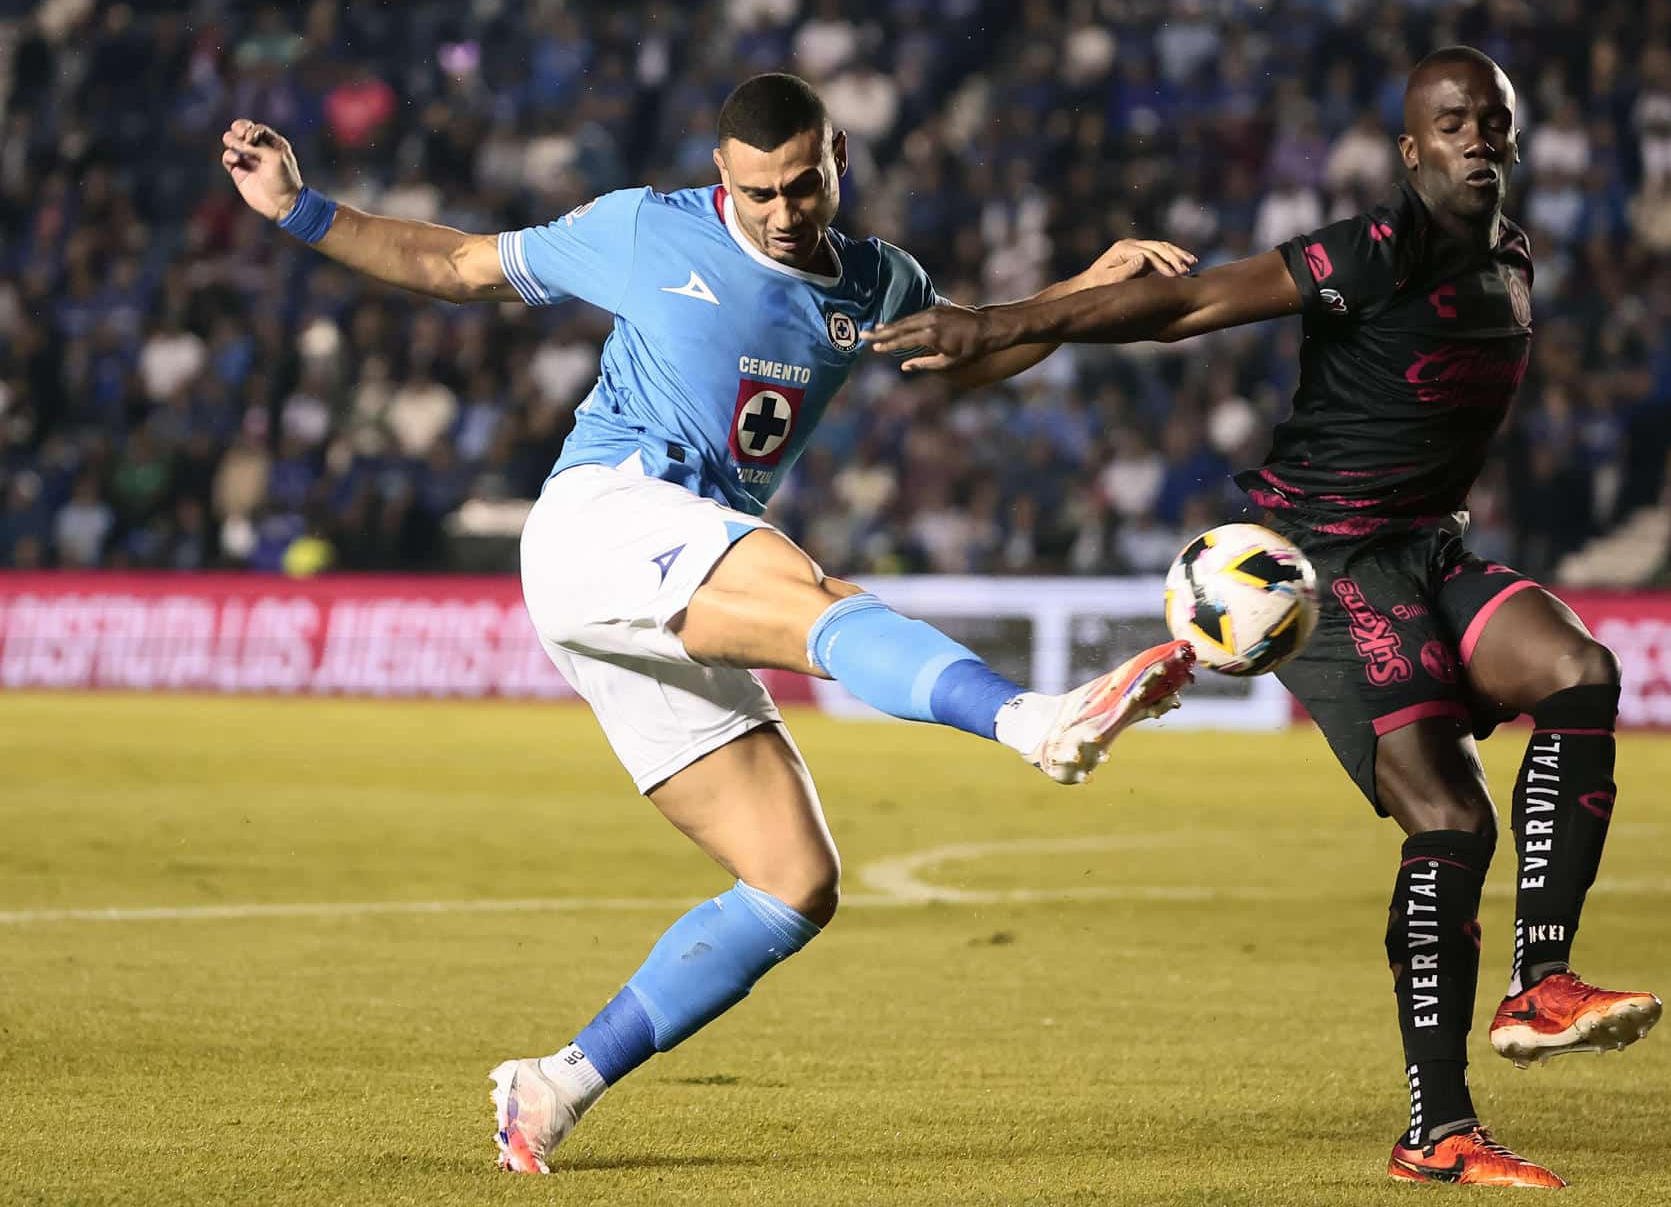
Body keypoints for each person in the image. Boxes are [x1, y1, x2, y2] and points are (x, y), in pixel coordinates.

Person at [220, 73, 1198, 1175]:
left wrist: (1080, 291)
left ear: (838, 160)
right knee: (806, 591)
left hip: (669, 573)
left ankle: (553, 1082)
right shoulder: (643, 228)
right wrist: (298, 208)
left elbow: (970, 355)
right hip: (606, 518)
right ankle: (1032, 719)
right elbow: (457, 262)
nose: (786, 211)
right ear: (721, 174)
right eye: (761, 190)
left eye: (805, 186)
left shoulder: (878, 279)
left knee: (792, 879)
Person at [869, 47, 1660, 1190]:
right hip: (1331, 565)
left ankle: (1542, 979)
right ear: (1411, 150)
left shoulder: (1514, 256)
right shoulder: (1376, 249)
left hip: (1426, 543)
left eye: (1493, 119)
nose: (1477, 137)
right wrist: (997, 324)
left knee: (1580, 671)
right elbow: (1189, 301)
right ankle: (1436, 1127)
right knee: (1450, 817)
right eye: (1452, 124)